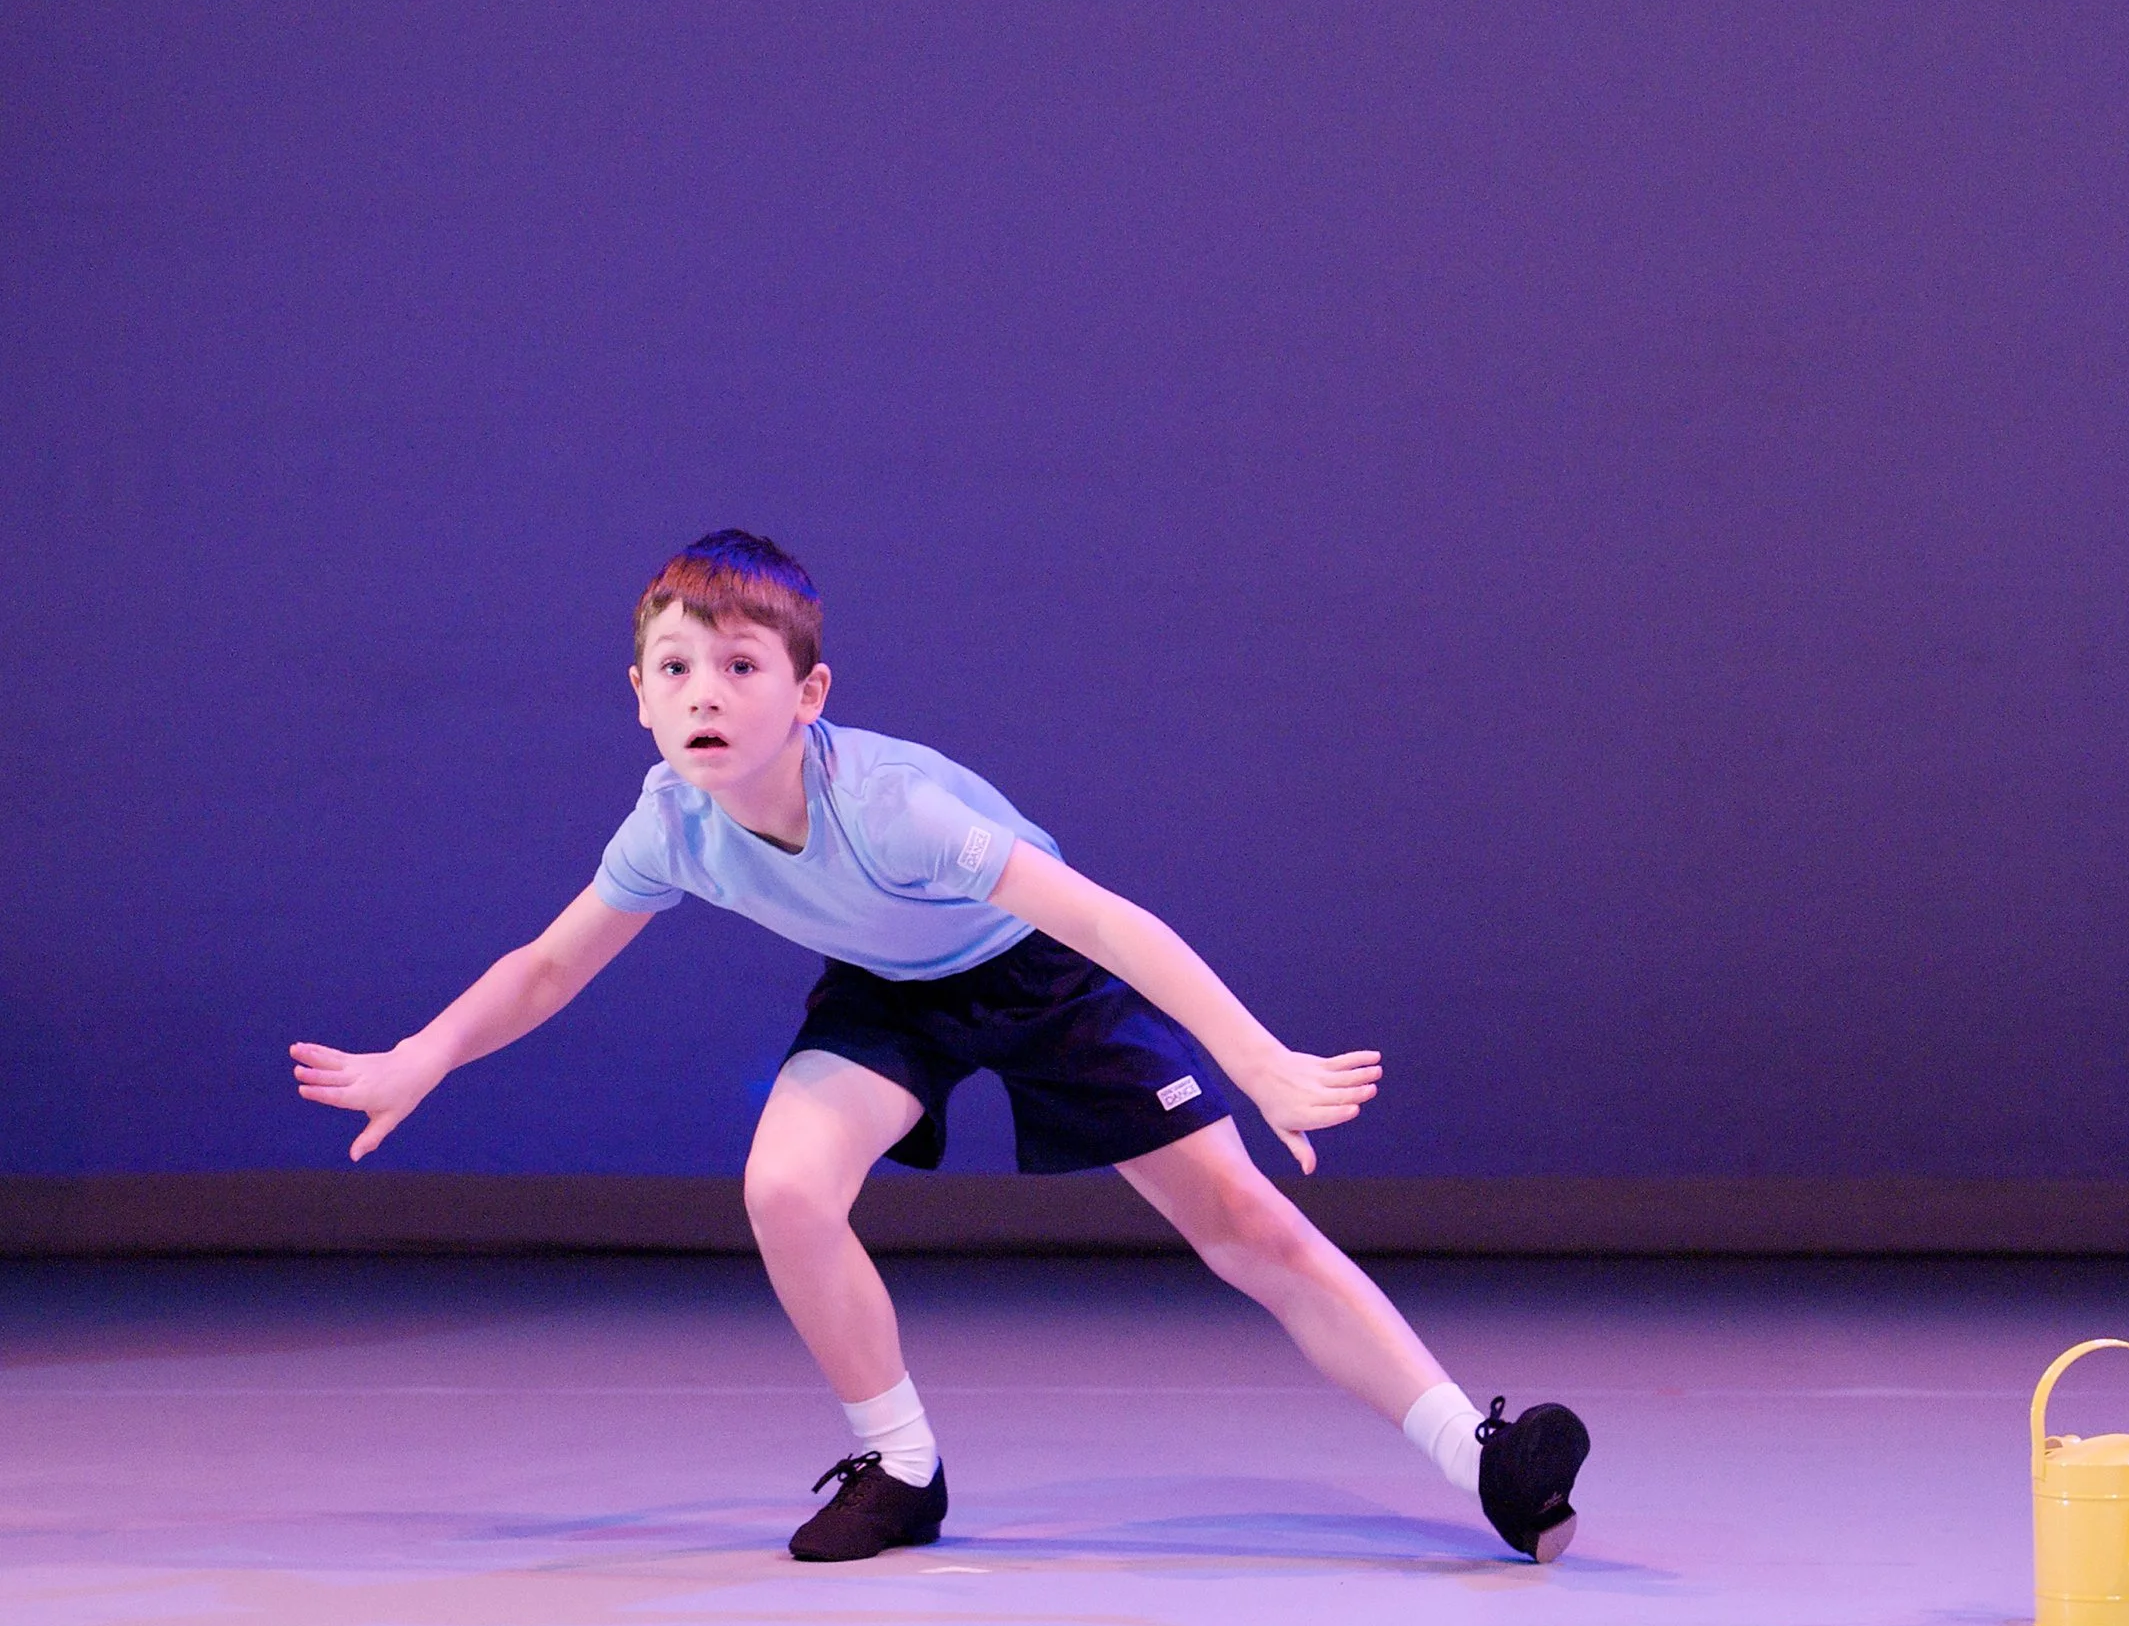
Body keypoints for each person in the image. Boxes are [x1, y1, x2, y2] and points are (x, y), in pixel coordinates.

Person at [292, 530, 1589, 1564]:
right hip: (888, 989)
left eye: (742, 667)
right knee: (786, 1190)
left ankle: (1477, 1451)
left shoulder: (896, 808)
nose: (707, 694)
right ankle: (903, 1465)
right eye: (677, 669)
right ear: (637, 698)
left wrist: (1253, 1057)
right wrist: (423, 1054)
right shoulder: (668, 826)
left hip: (1044, 976)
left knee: (1244, 1224)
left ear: (808, 695)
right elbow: (549, 965)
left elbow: (1105, 921)